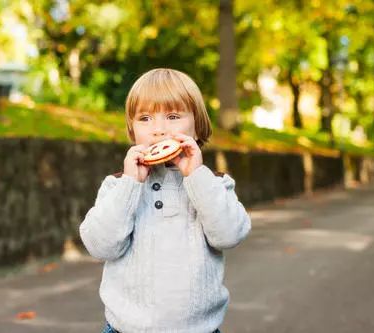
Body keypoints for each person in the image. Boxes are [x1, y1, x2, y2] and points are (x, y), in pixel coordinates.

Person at [79, 68, 251, 333]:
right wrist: (130, 184)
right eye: (145, 118)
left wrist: (196, 175)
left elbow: (229, 235)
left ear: (197, 127)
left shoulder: (214, 184)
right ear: (132, 130)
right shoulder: (118, 185)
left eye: (172, 116)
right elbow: (101, 246)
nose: (159, 130)